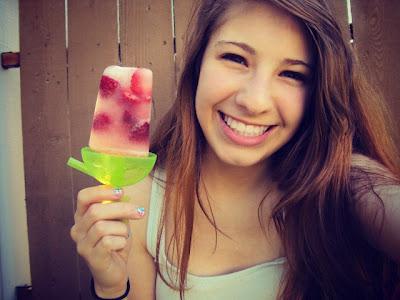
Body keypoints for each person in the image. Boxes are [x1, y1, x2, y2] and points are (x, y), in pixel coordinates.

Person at [70, 0, 400, 299]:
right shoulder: (137, 202)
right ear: (198, 63)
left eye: (291, 74)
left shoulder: (343, 181)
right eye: (235, 58)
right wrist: (111, 286)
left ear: (317, 91)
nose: (254, 102)